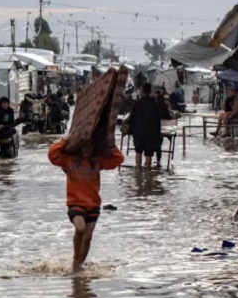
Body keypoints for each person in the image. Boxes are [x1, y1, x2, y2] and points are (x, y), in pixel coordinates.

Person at [48, 139, 124, 271]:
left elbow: (118, 159)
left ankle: (79, 265)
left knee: (88, 237)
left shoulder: (97, 161)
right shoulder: (69, 160)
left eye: (90, 147)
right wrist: (67, 140)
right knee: (80, 228)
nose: (87, 150)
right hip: (75, 203)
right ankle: (75, 258)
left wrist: (110, 143)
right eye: (85, 146)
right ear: (79, 147)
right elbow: (52, 154)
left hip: (93, 205)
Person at [127, 82, 162, 171]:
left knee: (138, 151)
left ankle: (138, 171)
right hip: (151, 132)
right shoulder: (155, 104)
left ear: (142, 91)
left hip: (138, 131)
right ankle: (148, 173)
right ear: (150, 91)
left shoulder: (137, 103)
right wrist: (158, 132)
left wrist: (130, 130)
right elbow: (158, 120)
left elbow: (132, 118)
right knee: (149, 153)